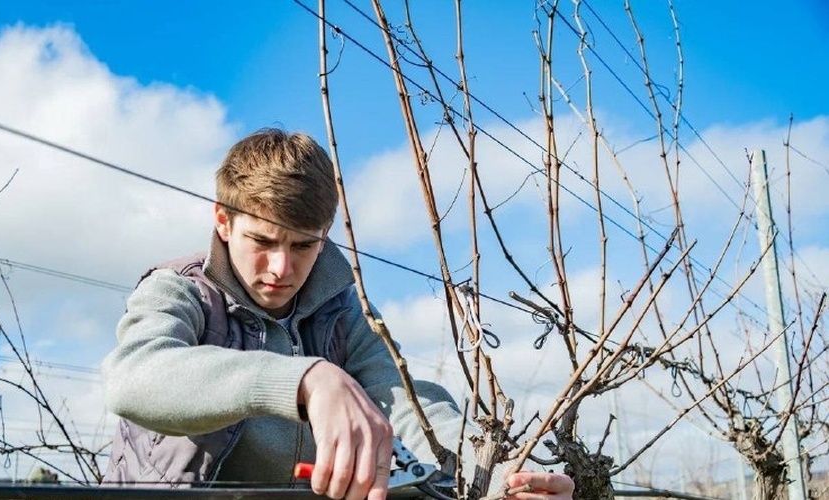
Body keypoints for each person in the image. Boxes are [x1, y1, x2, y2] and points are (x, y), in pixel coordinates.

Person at [101, 128, 574, 500]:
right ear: (223, 222)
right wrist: (306, 379)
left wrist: (503, 473)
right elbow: (134, 377)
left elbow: (403, 403)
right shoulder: (181, 291)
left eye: (304, 245)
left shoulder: (340, 310)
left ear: (325, 233)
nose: (282, 268)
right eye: (262, 242)